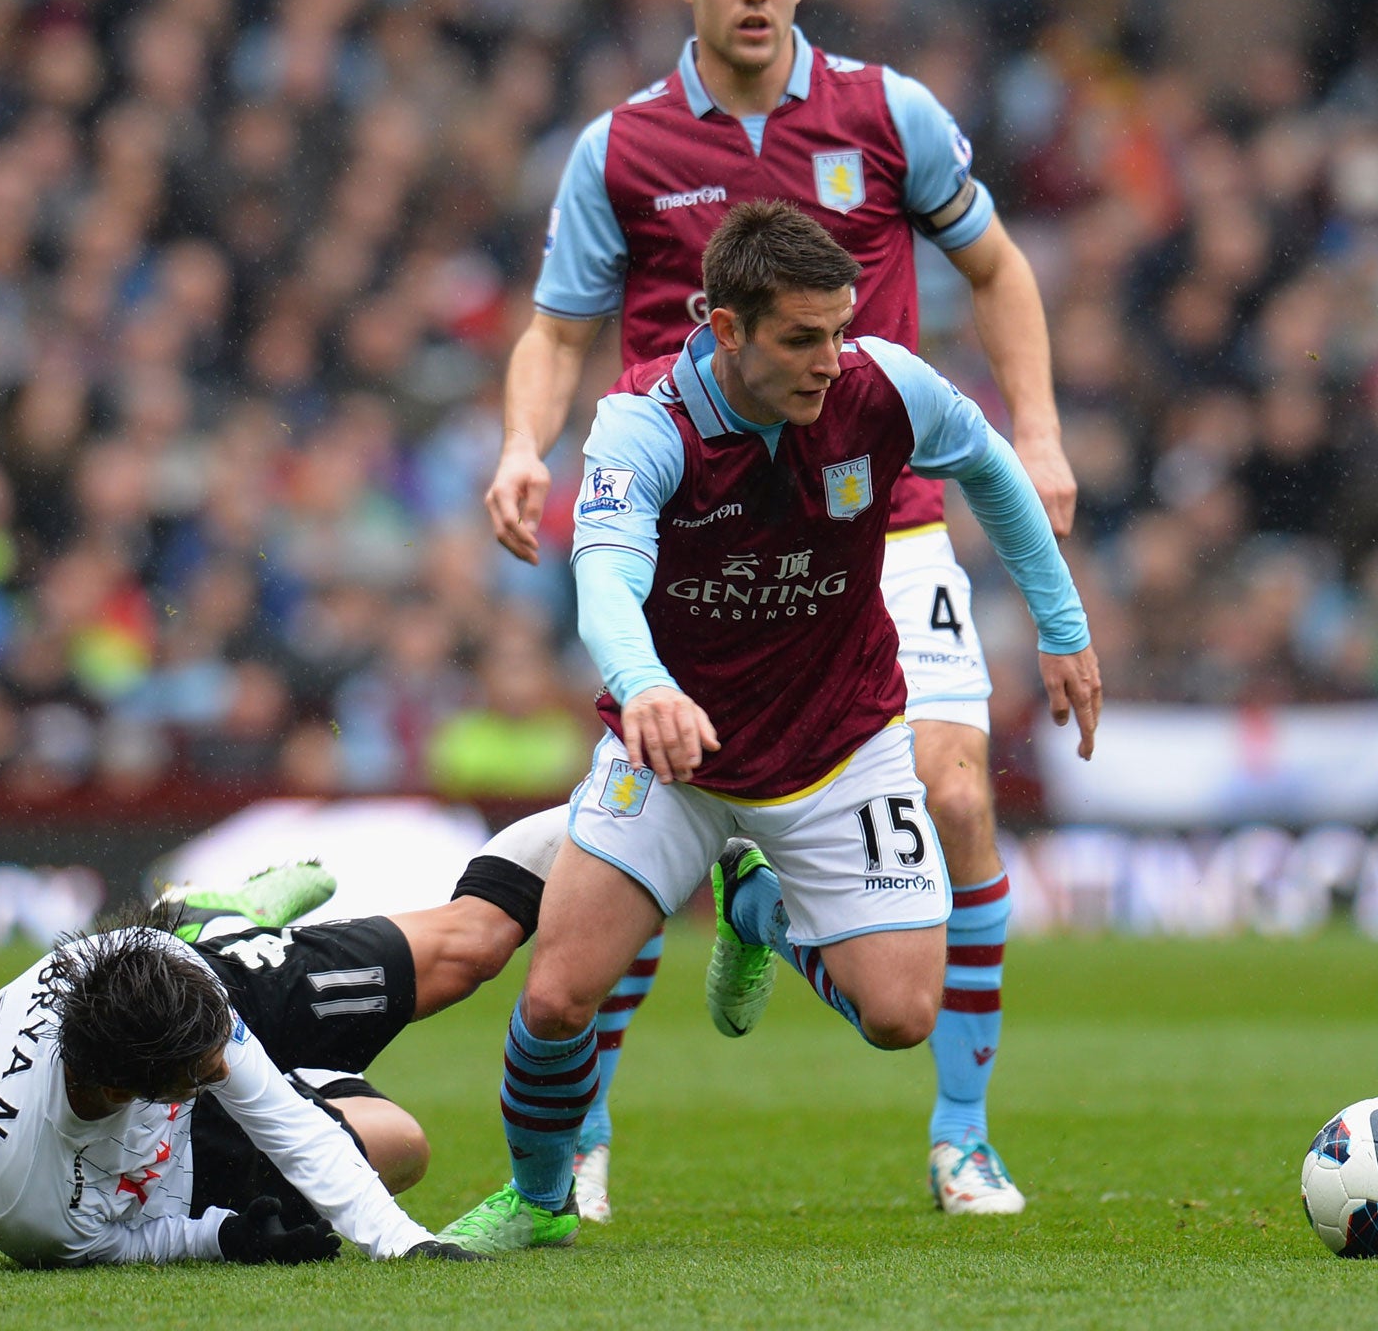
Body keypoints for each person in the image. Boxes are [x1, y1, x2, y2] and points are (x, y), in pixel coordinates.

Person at [484, 0, 1078, 1218]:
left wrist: (1035, 436)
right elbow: (559, 327)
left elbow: (998, 270)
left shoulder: (885, 113)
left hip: (873, 515)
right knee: (662, 769)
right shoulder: (621, 149)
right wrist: (524, 445)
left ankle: (962, 1135)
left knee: (965, 793)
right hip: (693, 520)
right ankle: (578, 1134)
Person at [441, 201, 1100, 1254]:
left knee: (900, 1017)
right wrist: (644, 683)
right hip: (676, 752)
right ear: (726, 326)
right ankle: (536, 1197)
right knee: (559, 995)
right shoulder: (641, 423)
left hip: (840, 745)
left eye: (839, 330)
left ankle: (756, 913)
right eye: (803, 337)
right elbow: (602, 573)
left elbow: (987, 469)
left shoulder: (882, 386)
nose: (830, 360)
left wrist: (1061, 626)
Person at [0, 822, 564, 1267]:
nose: (225, 1063)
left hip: (183, 976)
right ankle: (278, 1028)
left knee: (471, 949)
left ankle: (217, 919)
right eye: (208, 1072)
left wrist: (406, 1243)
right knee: (403, 1146)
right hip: (180, 1156)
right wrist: (225, 1237)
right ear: (131, 1093)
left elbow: (286, 1124)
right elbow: (119, 1242)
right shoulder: (22, 1197)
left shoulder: (165, 975)